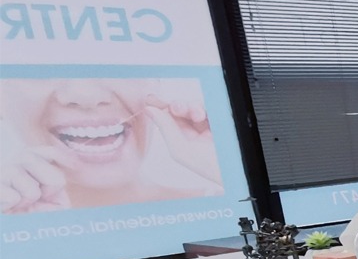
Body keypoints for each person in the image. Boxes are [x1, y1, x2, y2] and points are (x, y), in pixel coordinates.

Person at [0, 78, 222, 213]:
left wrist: (226, 165)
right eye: (43, 72)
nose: (87, 96)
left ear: (156, 84)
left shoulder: (218, 203)